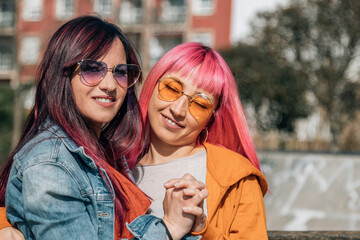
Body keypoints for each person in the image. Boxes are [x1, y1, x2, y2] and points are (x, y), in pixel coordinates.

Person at [0, 16, 207, 240]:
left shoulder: (104, 154)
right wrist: (168, 229)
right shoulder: (51, 164)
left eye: (119, 72)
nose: (109, 85)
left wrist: (187, 221)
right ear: (62, 75)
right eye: (91, 69)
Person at [131, 42, 268, 239]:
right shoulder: (114, 169)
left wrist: (202, 230)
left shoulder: (237, 177)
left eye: (200, 105)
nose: (178, 110)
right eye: (171, 88)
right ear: (152, 84)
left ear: (210, 118)